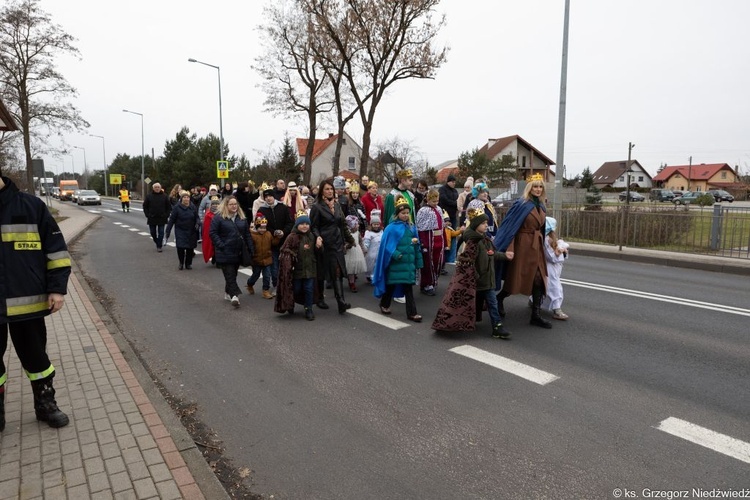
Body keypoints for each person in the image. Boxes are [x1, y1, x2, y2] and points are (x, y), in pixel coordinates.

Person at [1, 171, 72, 430]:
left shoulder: (31, 206)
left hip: (27, 302)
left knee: (36, 358)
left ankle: (45, 404)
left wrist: (57, 290)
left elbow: (57, 252)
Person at [432, 207, 512, 339]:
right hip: (479, 280)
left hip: (487, 279)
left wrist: (505, 256)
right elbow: (466, 262)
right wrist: (476, 276)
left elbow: (491, 254)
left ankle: (495, 326)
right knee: (489, 303)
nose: (486, 225)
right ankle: (496, 327)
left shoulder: (484, 239)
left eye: (486, 223)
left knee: (487, 303)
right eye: (483, 223)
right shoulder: (473, 242)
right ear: (475, 225)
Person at [493, 175, 551, 329]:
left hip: (536, 246)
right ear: (529, 188)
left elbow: (542, 228)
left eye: (540, 187)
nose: (538, 189)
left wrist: (551, 242)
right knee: (515, 280)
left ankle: (536, 315)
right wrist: (509, 249)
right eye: (535, 186)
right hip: (521, 246)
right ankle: (499, 299)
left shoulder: (542, 205)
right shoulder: (521, 204)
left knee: (538, 278)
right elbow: (510, 227)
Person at [372, 196, 423, 322]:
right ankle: (384, 304)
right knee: (391, 286)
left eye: (407, 213)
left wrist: (418, 261)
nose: (405, 215)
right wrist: (395, 254)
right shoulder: (391, 228)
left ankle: (412, 313)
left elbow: (417, 247)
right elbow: (386, 246)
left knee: (408, 289)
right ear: (397, 213)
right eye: (403, 213)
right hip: (396, 264)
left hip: (408, 265)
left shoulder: (412, 227)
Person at [310, 179, 355, 314]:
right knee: (322, 272)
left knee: (338, 271)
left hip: (337, 243)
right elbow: (313, 226)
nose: (330, 191)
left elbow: (341, 224)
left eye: (331, 189)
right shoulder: (317, 206)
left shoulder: (337, 205)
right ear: (322, 191)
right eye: (327, 189)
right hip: (324, 244)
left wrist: (350, 240)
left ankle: (340, 301)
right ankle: (319, 298)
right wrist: (317, 237)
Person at [274, 212, 320, 321]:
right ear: (297, 225)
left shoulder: (312, 236)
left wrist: (320, 246)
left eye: (307, 224)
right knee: (297, 289)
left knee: (309, 289)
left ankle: (308, 309)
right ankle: (290, 304)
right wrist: (291, 256)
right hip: (296, 270)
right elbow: (284, 250)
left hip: (310, 269)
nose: (304, 226)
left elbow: (317, 252)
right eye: (302, 224)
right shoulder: (292, 236)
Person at [209, 196, 254, 307]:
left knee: (233, 274)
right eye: (231, 204)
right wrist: (221, 245)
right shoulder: (218, 218)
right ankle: (235, 296)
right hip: (224, 251)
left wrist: (251, 249)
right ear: (226, 205)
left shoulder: (241, 218)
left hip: (238, 251)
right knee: (229, 273)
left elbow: (247, 234)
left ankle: (227, 292)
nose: (234, 206)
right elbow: (213, 233)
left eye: (235, 204)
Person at [258, 185, 294, 293]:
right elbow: (261, 225)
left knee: (286, 265)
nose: (268, 198)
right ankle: (276, 286)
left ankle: (287, 285)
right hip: (271, 242)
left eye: (270, 196)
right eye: (266, 196)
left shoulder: (283, 207)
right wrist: (273, 232)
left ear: (274, 197)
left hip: (285, 241)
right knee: (274, 266)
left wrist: (284, 231)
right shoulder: (262, 210)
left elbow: (290, 222)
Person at [535, 217, 569, 320]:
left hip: (552, 268)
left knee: (545, 286)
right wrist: (559, 253)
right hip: (549, 268)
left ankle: (534, 302)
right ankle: (557, 309)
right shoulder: (545, 240)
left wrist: (562, 251)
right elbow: (551, 257)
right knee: (555, 287)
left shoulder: (550, 238)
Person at [416, 189, 445, 296]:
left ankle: (433, 281)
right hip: (429, 240)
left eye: (437, 201)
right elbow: (421, 228)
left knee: (439, 262)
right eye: (433, 201)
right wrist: (423, 243)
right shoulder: (423, 211)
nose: (435, 203)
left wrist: (444, 242)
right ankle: (426, 284)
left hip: (439, 240)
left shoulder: (439, 209)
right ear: (427, 200)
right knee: (428, 264)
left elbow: (442, 227)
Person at [247, 214, 281, 299]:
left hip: (267, 259)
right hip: (256, 260)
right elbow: (250, 247)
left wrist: (277, 238)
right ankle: (250, 284)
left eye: (264, 228)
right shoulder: (252, 235)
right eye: (260, 228)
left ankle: (265, 290)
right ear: (256, 226)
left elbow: (273, 243)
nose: (263, 229)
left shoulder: (268, 234)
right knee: (256, 275)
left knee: (267, 276)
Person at [165, 191, 200, 270]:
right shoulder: (177, 208)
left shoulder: (192, 207)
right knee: (180, 247)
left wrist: (198, 223)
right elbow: (172, 220)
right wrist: (168, 231)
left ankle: (188, 263)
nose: (186, 199)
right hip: (180, 230)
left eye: (187, 197)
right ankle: (181, 262)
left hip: (191, 230)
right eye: (184, 197)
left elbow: (197, 217)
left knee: (190, 248)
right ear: (181, 199)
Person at [143, 182, 172, 252]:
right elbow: (145, 206)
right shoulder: (149, 196)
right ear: (153, 188)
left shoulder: (165, 196)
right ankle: (157, 241)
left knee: (161, 232)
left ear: (160, 188)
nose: (157, 188)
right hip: (152, 217)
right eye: (155, 187)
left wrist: (167, 215)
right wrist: (147, 214)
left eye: (158, 187)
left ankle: (159, 246)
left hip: (162, 218)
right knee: (152, 232)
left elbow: (169, 207)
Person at [439, 174, 459, 264]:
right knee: (445, 236)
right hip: (445, 215)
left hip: (453, 215)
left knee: (453, 235)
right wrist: (455, 204)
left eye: (455, 182)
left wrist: (456, 204)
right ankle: (444, 257)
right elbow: (444, 200)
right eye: (452, 182)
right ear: (448, 181)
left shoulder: (455, 191)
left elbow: (457, 200)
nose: (454, 184)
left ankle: (451, 258)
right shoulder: (442, 189)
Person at [344, 215, 367, 292]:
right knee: (351, 267)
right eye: (356, 224)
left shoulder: (357, 233)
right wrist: (348, 245)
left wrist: (363, 249)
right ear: (352, 225)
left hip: (357, 251)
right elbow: (344, 244)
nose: (358, 225)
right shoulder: (347, 234)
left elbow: (360, 241)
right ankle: (351, 283)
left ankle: (353, 277)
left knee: (356, 266)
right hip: (349, 252)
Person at [362, 210, 383, 283]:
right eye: (374, 224)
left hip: (379, 251)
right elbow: (366, 242)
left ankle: (375, 276)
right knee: (370, 264)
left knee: (377, 264)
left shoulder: (381, 232)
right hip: (371, 252)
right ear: (371, 224)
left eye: (377, 224)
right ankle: (369, 275)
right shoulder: (368, 233)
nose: (376, 226)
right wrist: (365, 248)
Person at [201, 195, 221, 264]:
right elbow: (206, 226)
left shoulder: (222, 213)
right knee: (212, 246)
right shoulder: (208, 215)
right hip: (212, 233)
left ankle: (218, 259)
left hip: (220, 233)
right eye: (214, 204)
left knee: (218, 246)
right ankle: (214, 257)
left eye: (217, 204)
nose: (215, 205)